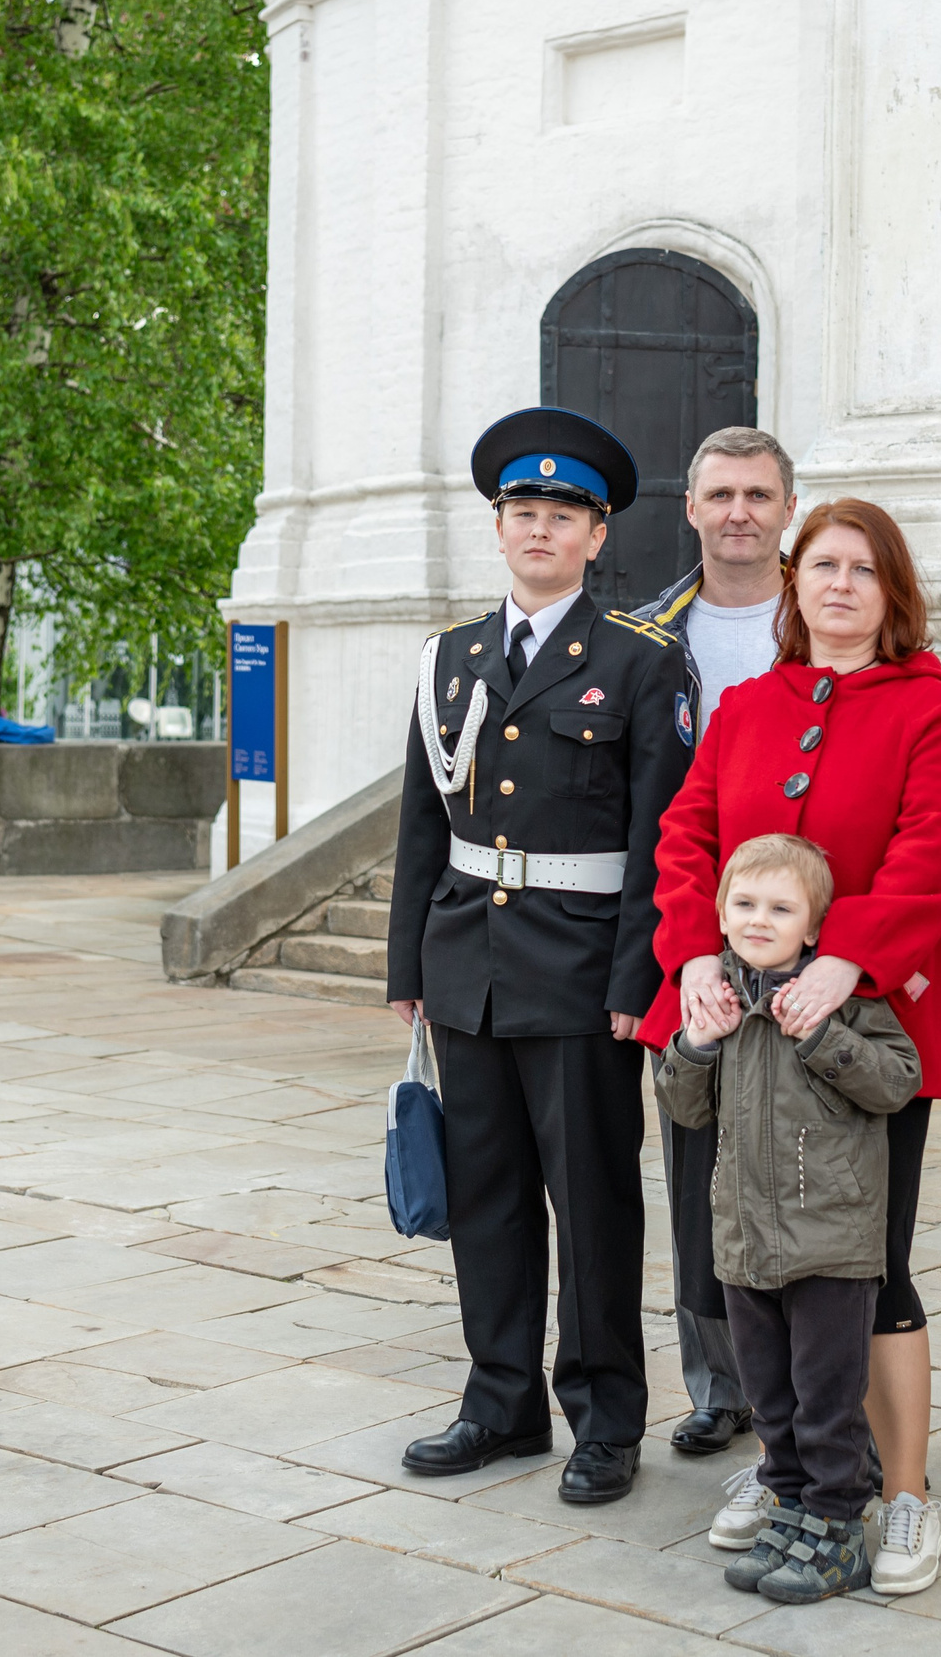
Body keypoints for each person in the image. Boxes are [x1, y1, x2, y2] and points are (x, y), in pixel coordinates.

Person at [641, 496, 941, 1596]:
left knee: (865, 1265)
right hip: (732, 1026)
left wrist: (850, 960)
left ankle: (906, 1488)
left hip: (864, 1022)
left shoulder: (933, 710)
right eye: (821, 565)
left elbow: (933, 854)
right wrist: (693, 951)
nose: (838, 584)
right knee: (749, 1259)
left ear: (893, 593)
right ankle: (792, 1474)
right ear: (794, 586)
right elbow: (686, 835)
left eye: (862, 570)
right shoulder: (744, 706)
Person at [386, 405, 692, 1506]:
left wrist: (636, 981)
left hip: (579, 973)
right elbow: (424, 822)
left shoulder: (640, 662)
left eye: (563, 514)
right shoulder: (451, 658)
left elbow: (662, 836)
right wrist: (407, 970)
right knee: (489, 1197)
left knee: (595, 1204)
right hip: (468, 962)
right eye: (523, 511)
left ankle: (606, 1417)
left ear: (597, 536)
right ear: (500, 525)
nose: (540, 529)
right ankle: (499, 1399)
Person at [652, 833, 922, 1604]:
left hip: (831, 1241)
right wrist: (698, 1041)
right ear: (721, 914)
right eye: (743, 904)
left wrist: (824, 1038)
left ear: (814, 926)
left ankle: (836, 1526)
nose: (759, 919)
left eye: (780, 907)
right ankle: (791, 1506)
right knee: (770, 1395)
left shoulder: (848, 1003)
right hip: (744, 1242)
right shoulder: (719, 1004)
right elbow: (681, 1104)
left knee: (825, 1395)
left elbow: (898, 1081)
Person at [630, 424, 799, 1459]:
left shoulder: (829, 616)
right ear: (689, 508)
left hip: (804, 941)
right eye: (720, 493)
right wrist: (678, 943)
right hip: (694, 934)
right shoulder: (647, 633)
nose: (739, 511)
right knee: (696, 1175)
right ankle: (716, 1384)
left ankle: (804, 1385)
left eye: (759, 494)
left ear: (786, 509)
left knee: (798, 1167)